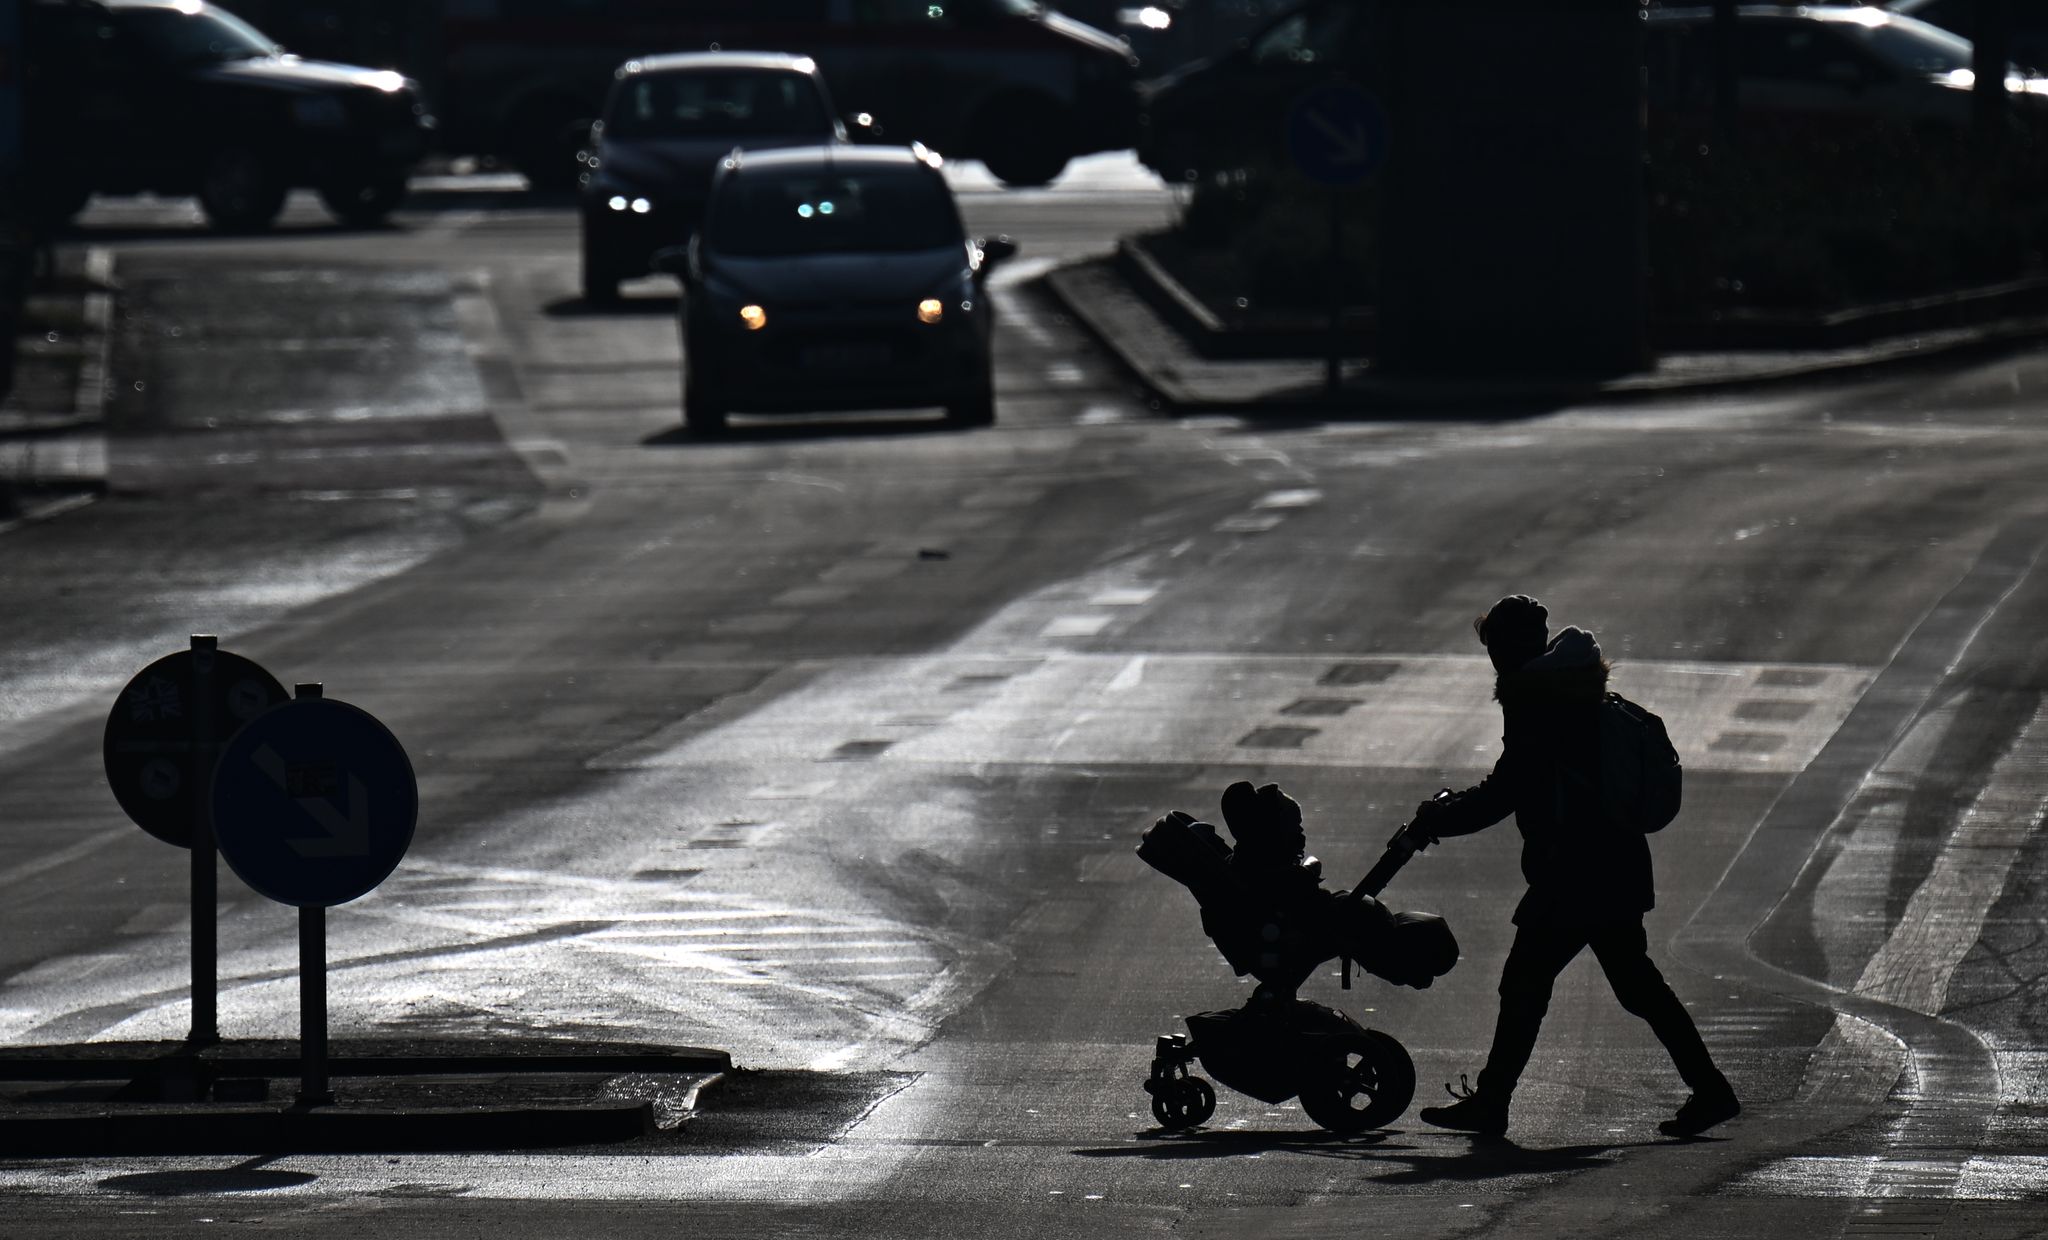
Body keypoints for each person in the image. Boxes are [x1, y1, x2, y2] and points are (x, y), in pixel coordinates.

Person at [1409, 594, 1738, 1139]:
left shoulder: (1538, 705)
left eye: (1494, 646)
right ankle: (1710, 1089)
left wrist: (1435, 820)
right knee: (1632, 987)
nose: (1491, 658)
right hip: (1613, 867)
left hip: (1576, 873)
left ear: (1508, 648)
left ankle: (1493, 1103)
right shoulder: (1576, 692)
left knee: (1527, 984)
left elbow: (1504, 792)